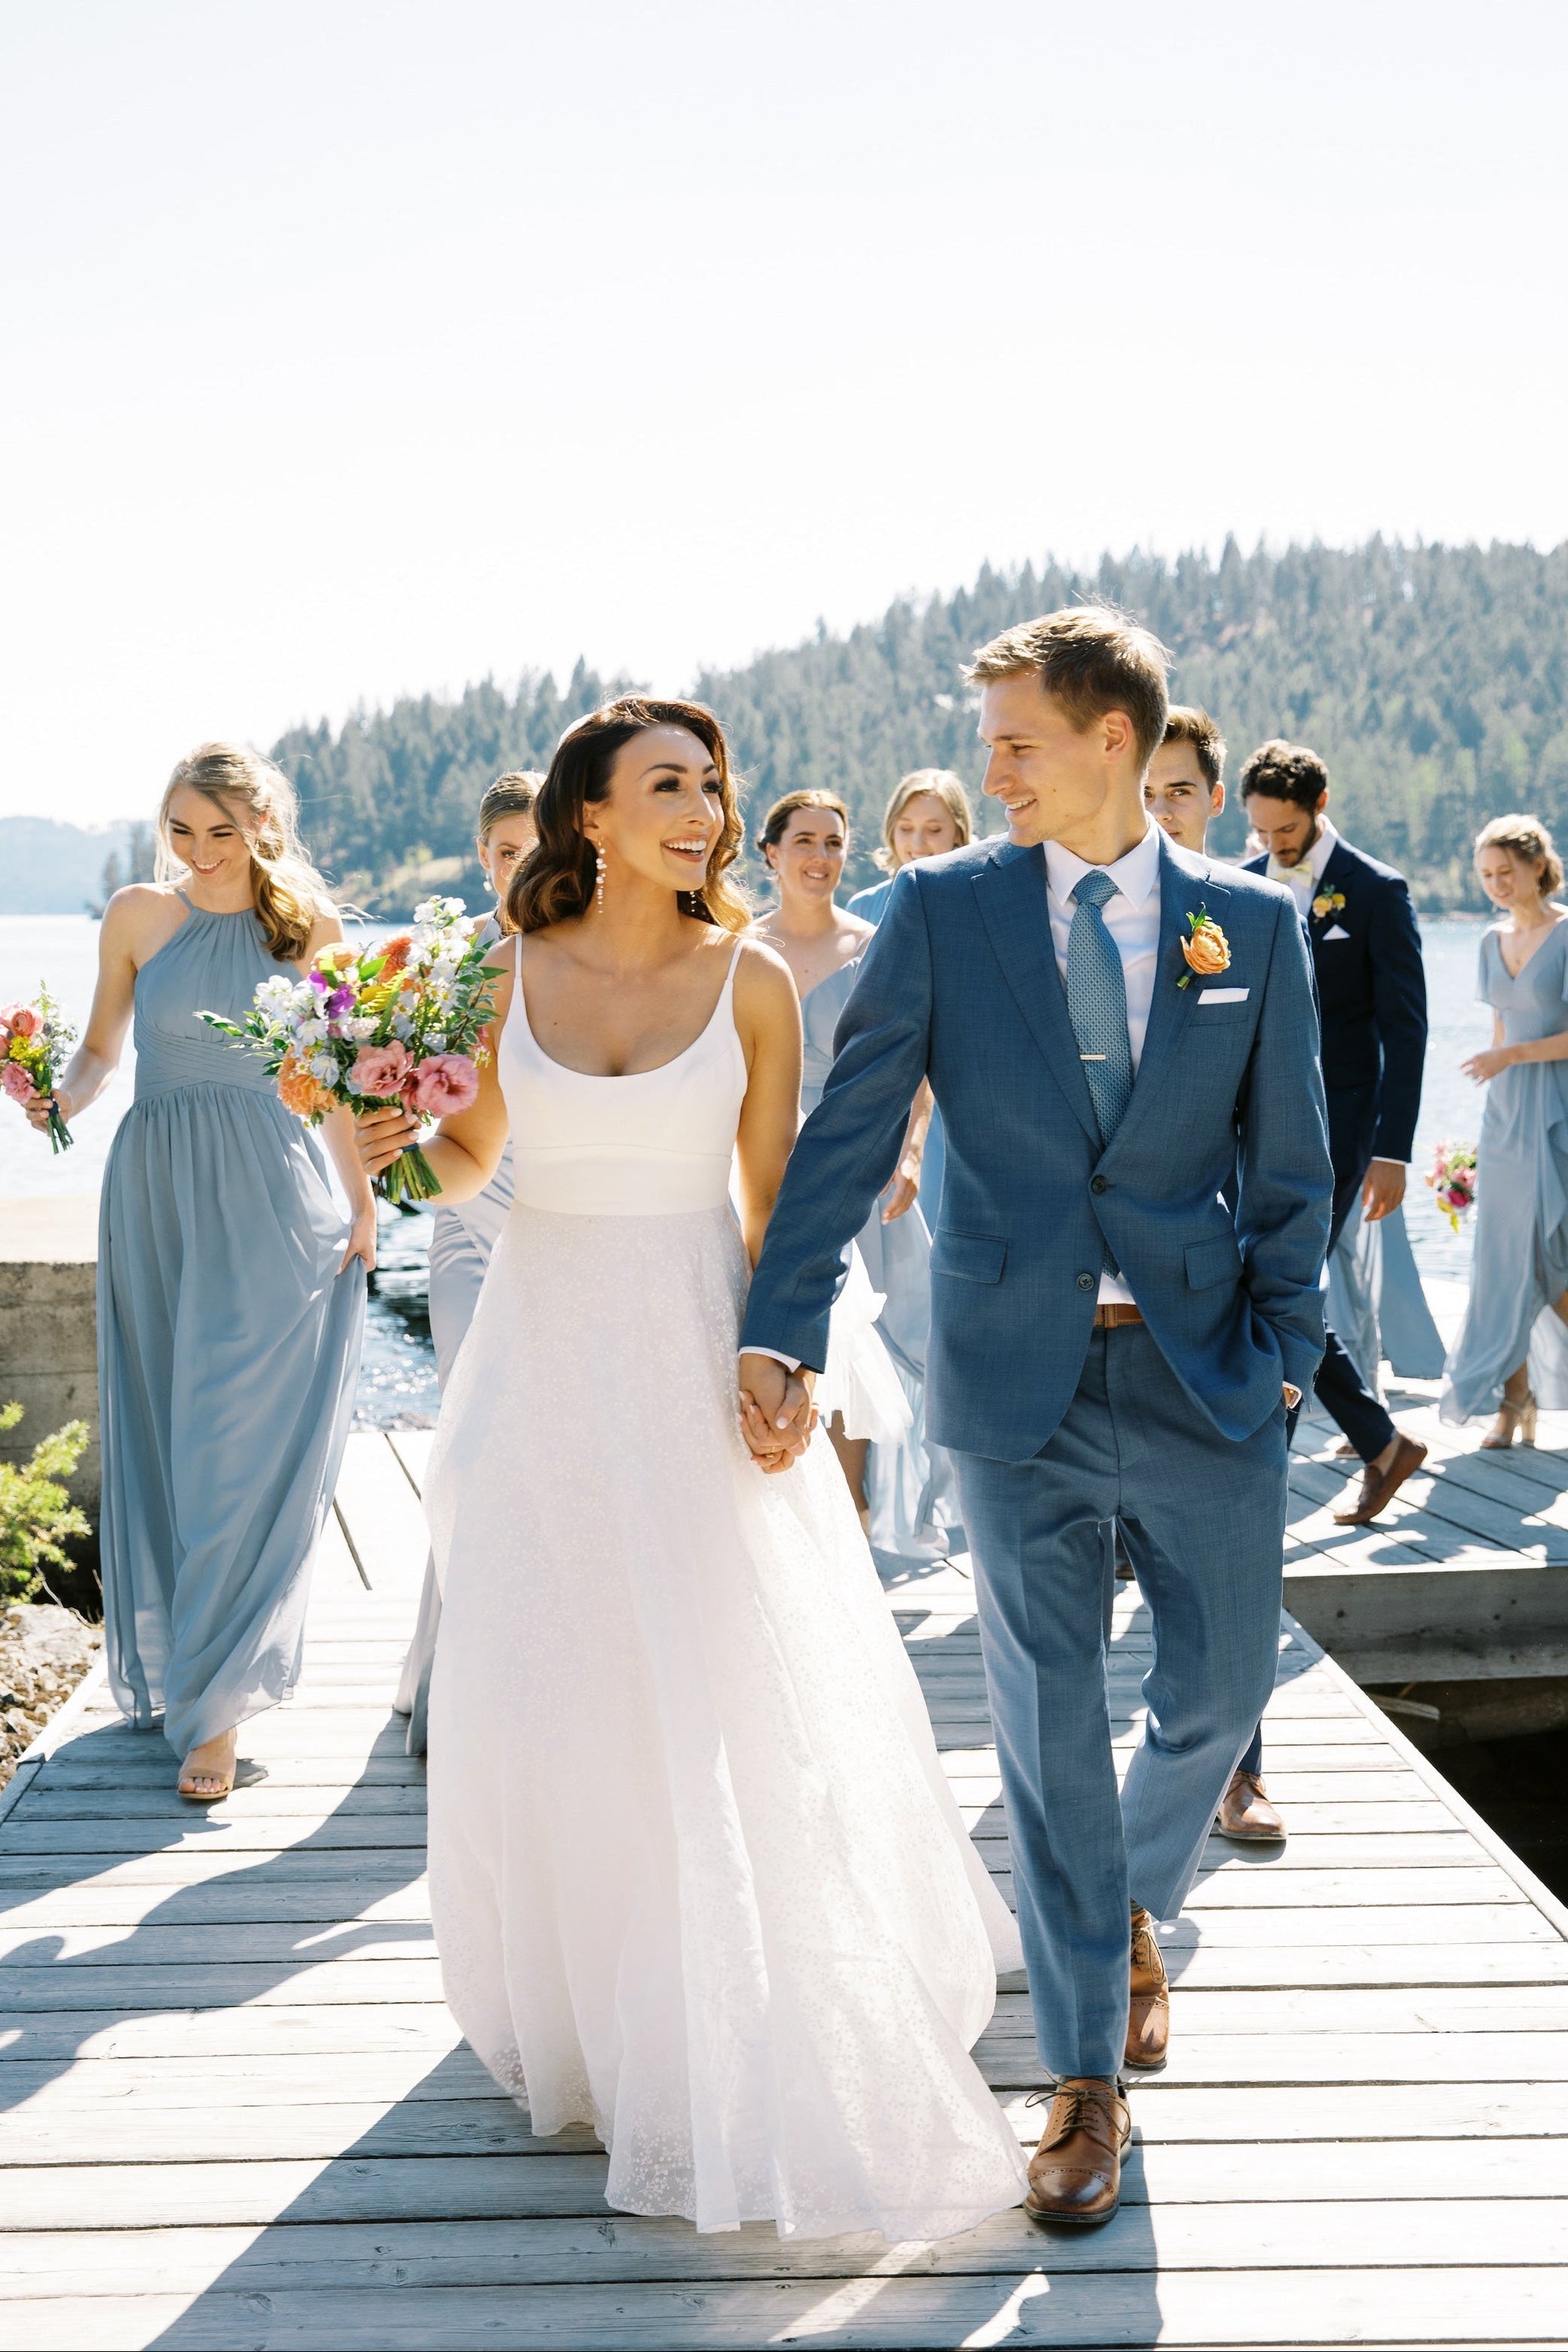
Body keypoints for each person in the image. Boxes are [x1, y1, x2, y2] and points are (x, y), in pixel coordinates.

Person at [353, 696, 1028, 2242]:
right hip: (534, 1347)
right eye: (669, 784)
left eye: (711, 786)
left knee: (722, 1674)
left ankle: (730, 1992)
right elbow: (466, 1165)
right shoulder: (498, 971)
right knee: (546, 1671)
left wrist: (782, 1352)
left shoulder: (749, 984)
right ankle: (590, 2008)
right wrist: (385, 1124)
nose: (703, 809)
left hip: (687, 1344)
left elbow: (781, 1199)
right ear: (587, 815)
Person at [740, 609, 1332, 2227]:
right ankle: (1084, 2079)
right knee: (1045, 1722)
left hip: (1208, 1371)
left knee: (1214, 1696)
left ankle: (1125, 1900)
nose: (984, 766)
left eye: (1011, 740)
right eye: (983, 738)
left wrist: (1286, 1357)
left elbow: (1289, 1171)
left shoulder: (1248, 929)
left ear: (1107, 744)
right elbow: (851, 1129)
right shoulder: (937, 910)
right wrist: (780, 1328)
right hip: (1009, 1383)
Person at [23, 745, 371, 1800]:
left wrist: (360, 1203)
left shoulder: (308, 926)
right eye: (182, 829)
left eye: (222, 830)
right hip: (156, 1191)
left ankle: (216, 1714)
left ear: (264, 823)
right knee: (175, 1434)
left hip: (271, 1192)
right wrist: (55, 1099)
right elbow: (99, 1051)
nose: (201, 851)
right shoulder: (135, 915)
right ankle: (197, 1668)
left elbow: (342, 1078)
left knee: (233, 1436)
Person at [1123, 707, 1283, 1842]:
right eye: (1145, 788)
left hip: (1209, 1307)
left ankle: (1240, 1770)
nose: (1159, 808)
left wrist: (1288, 1337)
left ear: (1209, 800)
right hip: (1056, 1316)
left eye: (1177, 790)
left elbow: (1281, 1137)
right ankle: (1106, 1870)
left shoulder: (1243, 923)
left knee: (1227, 1607)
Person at [752, 789, 958, 1559]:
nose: (820, 856)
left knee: (859, 1350)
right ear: (768, 854)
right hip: (759, 1163)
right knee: (769, 1336)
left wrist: (906, 1157)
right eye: (802, 840)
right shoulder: (735, 948)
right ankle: (778, 1528)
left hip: (859, 1163)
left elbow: (916, 1066)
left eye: (833, 843)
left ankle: (852, 1527)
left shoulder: (880, 944)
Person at [1241, 740, 1429, 1524]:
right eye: (1260, 831)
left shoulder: (1375, 891)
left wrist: (1393, 1149)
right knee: (1270, 1281)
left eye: (1283, 832)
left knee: (1282, 1281)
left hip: (1343, 1127)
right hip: (1253, 1121)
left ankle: (1257, 1474)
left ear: (1318, 808)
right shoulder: (1242, 887)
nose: (1271, 846)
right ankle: (1381, 1443)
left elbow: (1407, 1029)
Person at [393, 771, 540, 1755]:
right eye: (503, 851)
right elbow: (419, 1130)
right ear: (482, 860)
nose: (521, 867)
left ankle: (522, 1678)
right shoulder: (446, 970)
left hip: (567, 1230)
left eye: (540, 847)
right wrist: (378, 1121)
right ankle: (453, 1680)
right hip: (468, 1232)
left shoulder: (597, 962)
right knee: (475, 1445)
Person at [1442, 814, 1568, 1441]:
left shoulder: (1567, 935)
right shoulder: (1489, 941)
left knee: (1554, 1256)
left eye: (1506, 871)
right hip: (1506, 1121)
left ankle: (1529, 1395)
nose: (1496, 884)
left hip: (1559, 1112)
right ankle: (1514, 1399)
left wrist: (1511, 1058)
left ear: (1538, 866)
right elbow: (1497, 1033)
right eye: (1486, 875)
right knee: (1500, 1259)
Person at [848, 770, 974, 1225]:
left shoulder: (977, 904)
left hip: (959, 1100)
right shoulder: (863, 908)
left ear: (959, 832)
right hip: (884, 1097)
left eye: (934, 829)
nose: (917, 842)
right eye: (906, 828)